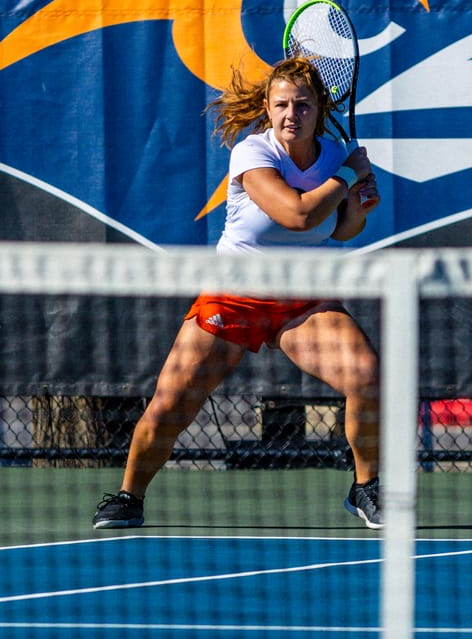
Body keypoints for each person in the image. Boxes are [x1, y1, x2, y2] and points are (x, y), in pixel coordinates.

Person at [93, 57, 383, 529]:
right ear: (267, 110)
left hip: (304, 302)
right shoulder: (253, 154)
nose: (293, 114)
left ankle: (365, 488)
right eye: (282, 104)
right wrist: (349, 177)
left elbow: (340, 231)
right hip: (234, 297)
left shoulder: (335, 157)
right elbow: (298, 216)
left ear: (320, 108)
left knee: (367, 375)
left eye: (303, 104)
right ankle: (129, 496)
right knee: (171, 405)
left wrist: (358, 207)